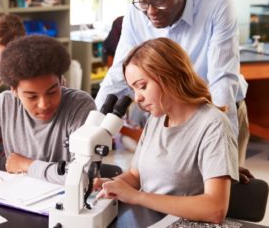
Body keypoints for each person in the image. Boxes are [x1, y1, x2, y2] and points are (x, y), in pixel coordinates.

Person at [95, 0, 250, 168]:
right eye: (143, 1)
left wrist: (225, 148)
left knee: (221, 193)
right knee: (169, 187)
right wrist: (93, 127)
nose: (150, 11)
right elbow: (117, 76)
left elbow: (222, 81)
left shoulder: (217, 6)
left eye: (159, 0)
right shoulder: (136, 12)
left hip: (217, 111)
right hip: (168, 114)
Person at [96, 38, 239, 225]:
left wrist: (137, 197)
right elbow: (135, 176)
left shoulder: (213, 125)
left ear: (169, 75)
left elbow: (214, 210)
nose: (137, 97)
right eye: (133, 89)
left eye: (142, 86)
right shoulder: (156, 119)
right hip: (148, 220)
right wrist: (109, 185)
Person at [0, 35, 96, 192]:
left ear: (61, 81)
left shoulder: (80, 106)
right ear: (14, 91)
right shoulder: (6, 103)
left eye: (52, 92)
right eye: (31, 96)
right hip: (18, 198)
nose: (44, 104)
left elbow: (84, 175)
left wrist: (26, 165)